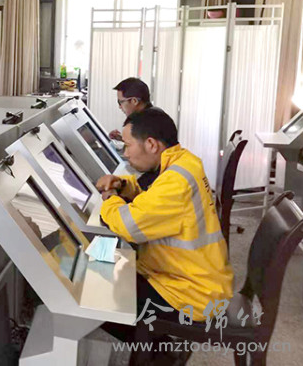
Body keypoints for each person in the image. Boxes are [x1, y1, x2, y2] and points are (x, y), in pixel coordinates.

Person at [96, 108, 232, 326]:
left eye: (128, 145)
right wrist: (122, 185)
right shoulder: (184, 161)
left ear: (151, 144)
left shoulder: (176, 182)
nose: (126, 154)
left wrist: (110, 197)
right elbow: (153, 195)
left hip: (191, 295)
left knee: (99, 298)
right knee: (111, 275)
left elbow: (128, 226)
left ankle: (155, 346)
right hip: (193, 279)